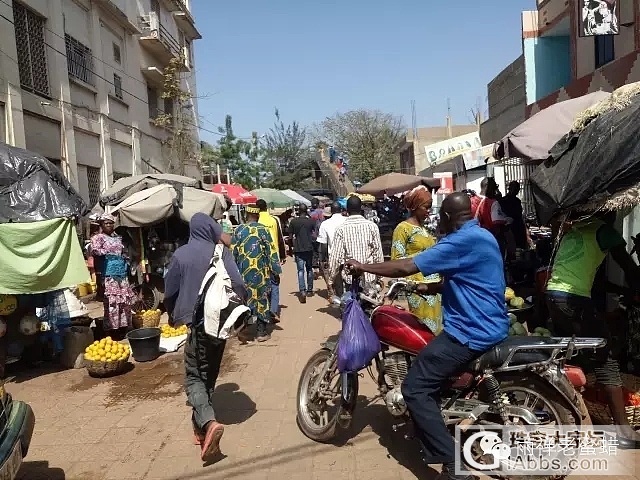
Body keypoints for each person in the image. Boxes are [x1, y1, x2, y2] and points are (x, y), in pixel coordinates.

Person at [346, 192, 508, 480]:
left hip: (470, 332)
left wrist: (362, 266)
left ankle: (454, 468)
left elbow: (406, 265)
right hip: (492, 324)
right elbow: (467, 279)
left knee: (415, 388)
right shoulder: (482, 236)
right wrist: (425, 289)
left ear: (446, 217)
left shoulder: (458, 242)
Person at [546, 211, 640, 448]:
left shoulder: (578, 227)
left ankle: (573, 417)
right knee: (606, 357)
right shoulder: (604, 231)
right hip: (572, 299)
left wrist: (620, 289)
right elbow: (629, 267)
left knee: (576, 356)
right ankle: (624, 433)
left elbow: (589, 274)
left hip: (554, 296)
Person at [164, 213, 247, 461]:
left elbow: (170, 291)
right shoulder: (222, 253)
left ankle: (209, 422)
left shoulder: (181, 255)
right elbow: (239, 284)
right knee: (208, 371)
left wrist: (172, 314)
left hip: (195, 324)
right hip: (218, 324)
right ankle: (201, 430)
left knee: (193, 377)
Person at [391, 186, 443, 334]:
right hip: (419, 290)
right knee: (424, 330)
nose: (428, 211)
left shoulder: (424, 229)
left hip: (433, 288)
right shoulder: (403, 229)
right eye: (426, 207)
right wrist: (409, 285)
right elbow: (397, 260)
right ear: (414, 207)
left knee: (436, 332)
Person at [232, 205, 282, 341]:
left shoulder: (238, 230)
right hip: (261, 274)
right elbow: (271, 252)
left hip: (243, 274)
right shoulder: (263, 230)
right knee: (261, 300)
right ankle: (261, 333)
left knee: (243, 299)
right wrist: (276, 271)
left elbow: (233, 253)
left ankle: (243, 328)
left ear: (246, 215)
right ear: (258, 216)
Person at [90, 214, 134, 339]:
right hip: (109, 274)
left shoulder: (118, 238)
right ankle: (111, 331)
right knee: (112, 303)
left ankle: (123, 328)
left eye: (111, 223)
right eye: (106, 223)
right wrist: (109, 253)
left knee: (124, 302)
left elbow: (123, 252)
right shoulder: (98, 238)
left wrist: (125, 258)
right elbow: (95, 251)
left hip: (122, 273)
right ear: (101, 225)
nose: (109, 225)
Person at [329, 195, 384, 293]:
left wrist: (331, 280)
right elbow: (378, 254)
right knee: (370, 306)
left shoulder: (341, 229)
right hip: (370, 277)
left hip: (350, 278)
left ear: (346, 209)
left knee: (351, 306)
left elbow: (335, 258)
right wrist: (380, 277)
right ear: (361, 208)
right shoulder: (372, 226)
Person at [256, 199, 286, 323]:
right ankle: (274, 309)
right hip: (273, 257)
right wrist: (283, 256)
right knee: (274, 283)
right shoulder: (274, 220)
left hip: (259, 258)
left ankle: (264, 310)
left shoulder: (255, 221)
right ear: (266, 207)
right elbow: (280, 238)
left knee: (262, 284)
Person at [317, 202, 347, 297]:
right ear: (341, 210)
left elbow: (324, 245)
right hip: (349, 256)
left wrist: (324, 259)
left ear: (331, 212)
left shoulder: (325, 224)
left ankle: (342, 301)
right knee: (349, 281)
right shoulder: (347, 221)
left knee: (338, 281)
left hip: (334, 257)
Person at [288, 204, 317, 303]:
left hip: (298, 249)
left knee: (300, 271)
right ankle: (310, 290)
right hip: (309, 248)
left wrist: (291, 248)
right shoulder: (311, 221)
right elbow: (314, 235)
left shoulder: (293, 222)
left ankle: (302, 291)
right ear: (306, 211)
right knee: (309, 269)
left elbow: (290, 237)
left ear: (298, 211)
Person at [499, 181, 528, 249]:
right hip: (509, 229)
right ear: (510, 189)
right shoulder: (503, 201)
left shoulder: (517, 201)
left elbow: (519, 214)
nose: (516, 191)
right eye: (514, 189)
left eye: (517, 189)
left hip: (518, 228)